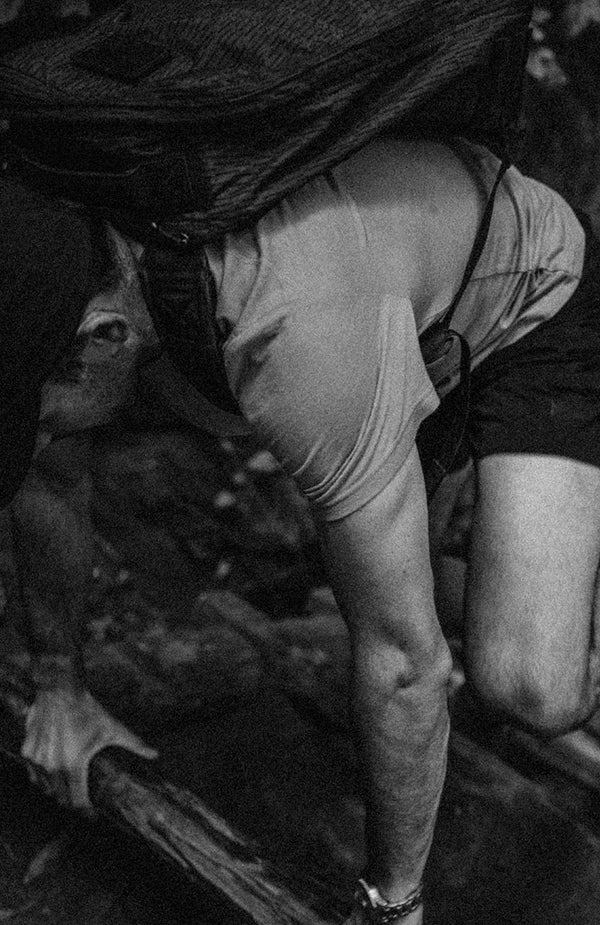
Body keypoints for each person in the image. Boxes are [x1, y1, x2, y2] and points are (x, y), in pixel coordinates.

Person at [1, 131, 599, 924]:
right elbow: (50, 475)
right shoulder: (67, 245)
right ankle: (511, 566)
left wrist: (393, 904)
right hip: (393, 295)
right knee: (391, 588)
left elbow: (403, 668)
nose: (43, 438)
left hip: (523, 294)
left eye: (41, 420)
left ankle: (559, 590)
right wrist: (59, 688)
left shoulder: (297, 341)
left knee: (530, 684)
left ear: (107, 336)